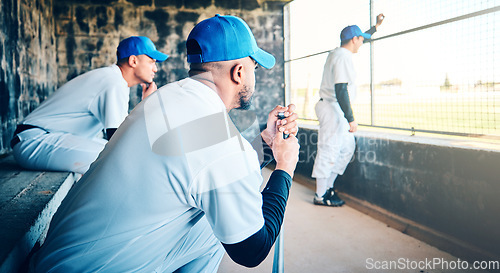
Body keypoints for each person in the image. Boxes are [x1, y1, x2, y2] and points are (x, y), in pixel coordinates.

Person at [28, 14, 300, 272]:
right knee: (226, 222)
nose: (256, 76)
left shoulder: (165, 99)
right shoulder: (219, 136)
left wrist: (266, 143)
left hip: (59, 260)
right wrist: (285, 167)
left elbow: (217, 167)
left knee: (218, 217)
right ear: (239, 72)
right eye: (255, 68)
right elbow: (252, 249)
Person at [10, 36, 168, 174]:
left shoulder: (115, 79)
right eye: (152, 61)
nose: (155, 68)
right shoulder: (114, 81)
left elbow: (119, 138)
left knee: (121, 155)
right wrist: (146, 105)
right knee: (117, 158)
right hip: (33, 140)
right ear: (133, 60)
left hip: (44, 139)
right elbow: (118, 141)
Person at [312, 14, 385, 207]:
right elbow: (341, 89)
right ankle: (320, 195)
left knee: (346, 148)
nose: (362, 42)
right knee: (328, 150)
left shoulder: (338, 52)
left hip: (336, 109)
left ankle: (328, 188)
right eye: (360, 39)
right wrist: (351, 118)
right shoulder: (343, 56)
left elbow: (363, 36)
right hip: (332, 108)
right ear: (354, 40)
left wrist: (375, 27)